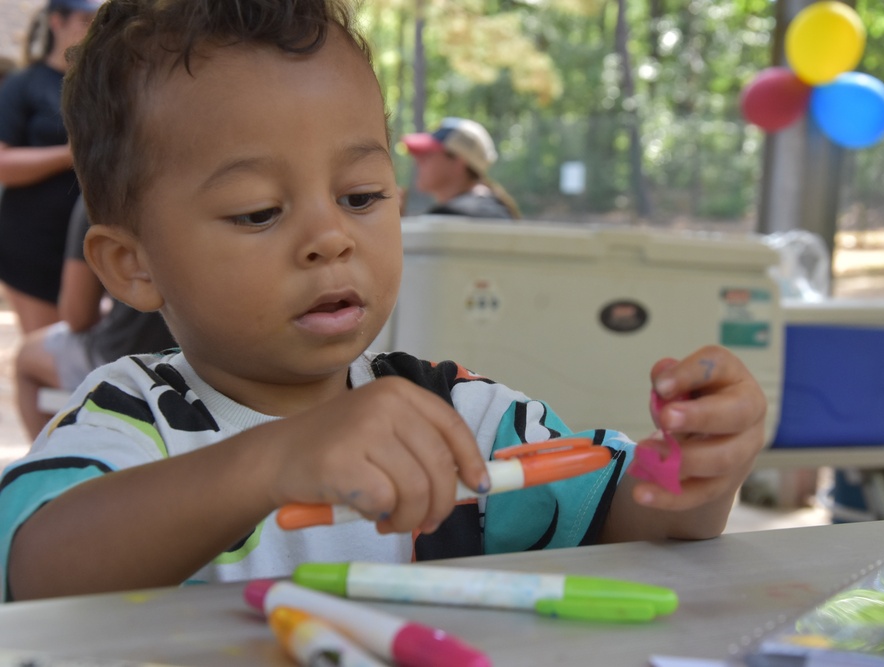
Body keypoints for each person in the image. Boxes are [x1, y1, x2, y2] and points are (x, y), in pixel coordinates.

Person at [0, 0, 767, 602]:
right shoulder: (133, 423)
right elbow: (37, 569)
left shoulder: (462, 419)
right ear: (132, 266)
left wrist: (693, 469)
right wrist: (273, 459)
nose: (330, 238)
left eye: (362, 195)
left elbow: (629, 525)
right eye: (259, 211)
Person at [14, 196, 177, 438]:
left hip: (132, 355)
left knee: (27, 357)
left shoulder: (102, 195)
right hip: (201, 354)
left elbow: (78, 316)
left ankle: (55, 466)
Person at [0, 0, 103, 335]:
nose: (91, 27)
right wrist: (70, 155)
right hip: (32, 246)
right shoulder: (23, 84)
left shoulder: (100, 85)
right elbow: (3, 163)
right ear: (57, 22)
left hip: (86, 244)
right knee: (48, 347)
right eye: (85, 19)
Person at [402, 117, 522, 219]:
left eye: (428, 155)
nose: (418, 162)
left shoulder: (456, 214)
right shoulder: (496, 209)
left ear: (459, 161)